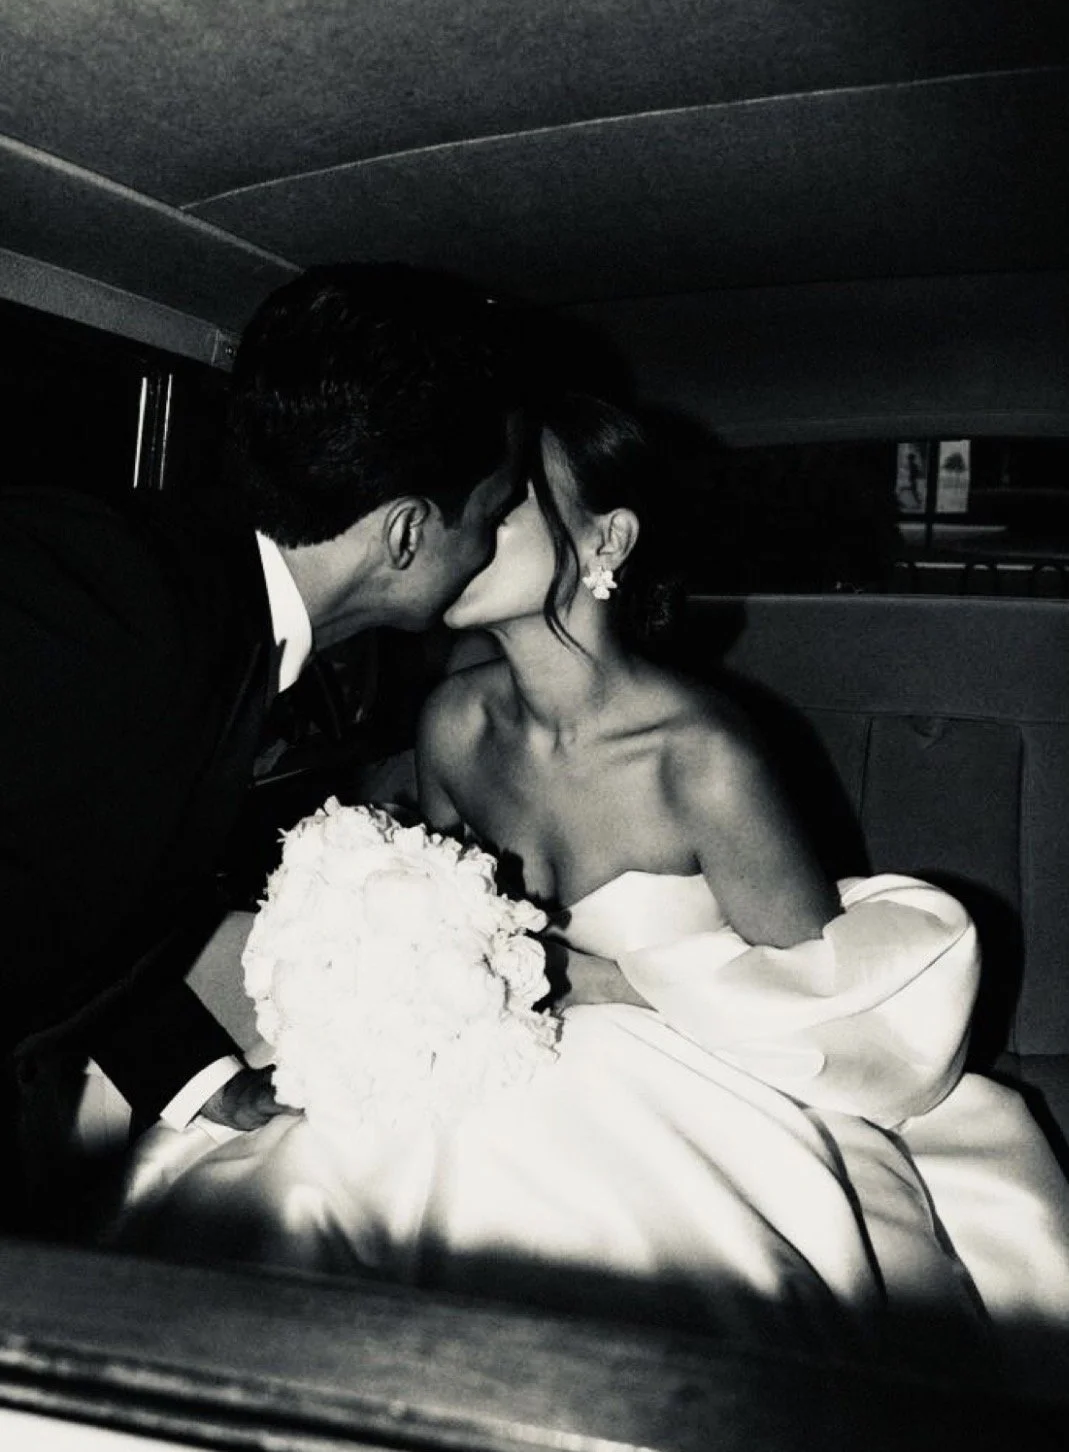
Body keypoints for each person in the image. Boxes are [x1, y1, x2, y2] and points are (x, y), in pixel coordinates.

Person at [105, 396, 1069, 1386]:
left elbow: (820, 1001)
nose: (462, 518)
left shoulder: (700, 756)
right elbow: (436, 923)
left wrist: (605, 985)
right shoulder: (454, 724)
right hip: (478, 1062)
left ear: (604, 538)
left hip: (686, 1079)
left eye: (507, 500)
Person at [0, 262, 528, 1230]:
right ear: (407, 534)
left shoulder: (206, 607)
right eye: (489, 519)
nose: (492, 547)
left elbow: (63, 876)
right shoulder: (118, 610)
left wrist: (202, 1080)